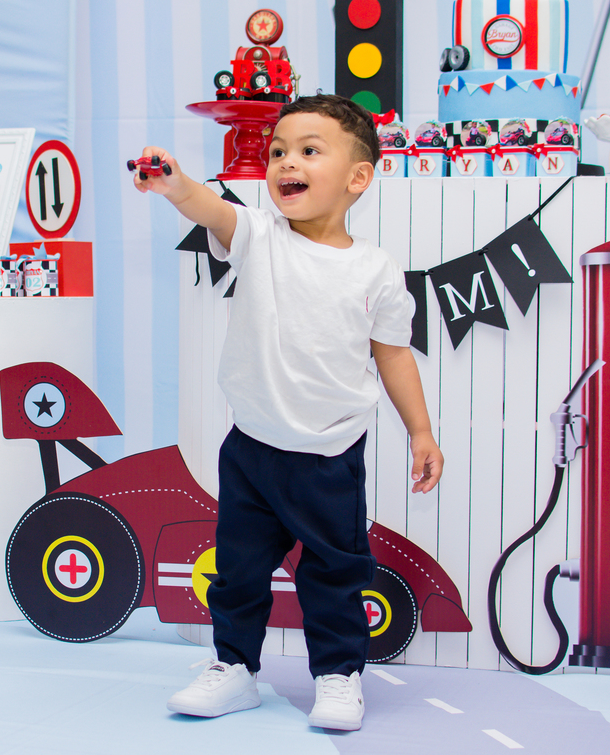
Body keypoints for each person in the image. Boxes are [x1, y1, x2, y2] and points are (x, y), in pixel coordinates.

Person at [132, 93, 443, 732]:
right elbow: (211, 209)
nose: (285, 164)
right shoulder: (261, 237)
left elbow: (395, 356)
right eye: (278, 152)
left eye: (307, 151)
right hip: (251, 447)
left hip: (329, 455)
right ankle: (235, 669)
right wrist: (174, 184)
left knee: (334, 574)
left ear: (358, 177)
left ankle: (337, 676)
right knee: (236, 571)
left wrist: (421, 430)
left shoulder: (375, 271)